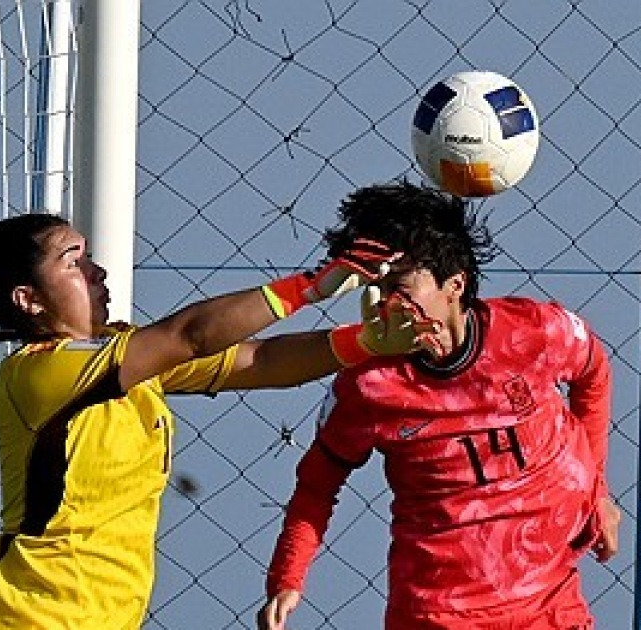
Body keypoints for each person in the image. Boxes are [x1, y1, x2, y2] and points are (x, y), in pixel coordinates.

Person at [0, 212, 441, 629]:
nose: (98, 271)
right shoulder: (42, 371)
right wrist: (309, 287)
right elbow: (192, 335)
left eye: (90, 255)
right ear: (29, 300)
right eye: (75, 263)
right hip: (27, 618)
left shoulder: (126, 359)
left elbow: (260, 363)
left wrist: (366, 343)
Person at [257, 181, 621, 630]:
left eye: (401, 284)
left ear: (455, 284)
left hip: (551, 605)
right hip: (438, 615)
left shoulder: (538, 333)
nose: (385, 301)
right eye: (376, 286)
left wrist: (597, 491)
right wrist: (288, 576)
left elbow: (594, 372)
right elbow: (316, 484)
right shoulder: (369, 384)